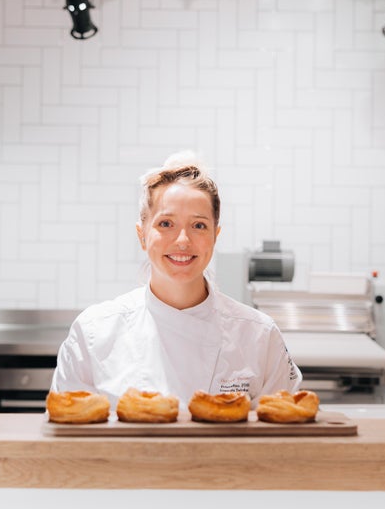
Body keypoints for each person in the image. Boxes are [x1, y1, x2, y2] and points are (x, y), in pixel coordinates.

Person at [51, 151, 302, 406]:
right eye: (166, 224)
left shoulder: (260, 335)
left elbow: (285, 435)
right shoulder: (93, 333)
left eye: (199, 226)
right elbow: (66, 436)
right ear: (142, 235)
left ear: (216, 235)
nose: (183, 241)